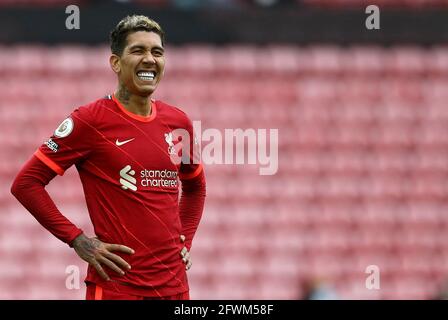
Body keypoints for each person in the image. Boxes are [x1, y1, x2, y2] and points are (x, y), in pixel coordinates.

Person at [10, 15, 206, 300]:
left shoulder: (179, 122)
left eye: (157, 52)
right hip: (117, 288)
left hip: (175, 288)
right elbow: (26, 183)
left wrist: (185, 239)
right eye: (138, 50)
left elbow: (195, 187)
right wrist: (76, 239)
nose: (150, 59)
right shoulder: (89, 120)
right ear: (116, 63)